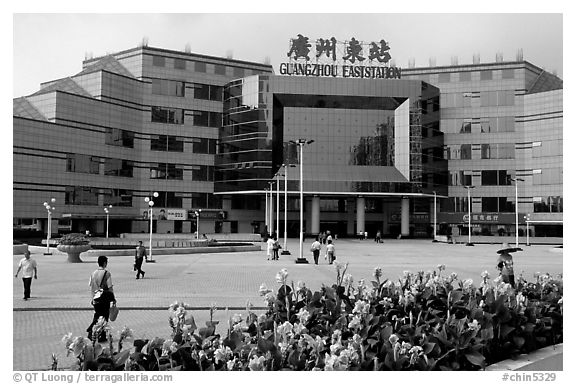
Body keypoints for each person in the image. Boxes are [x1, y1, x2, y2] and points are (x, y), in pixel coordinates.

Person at [87, 256, 116, 341]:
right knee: (104, 317)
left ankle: (96, 333)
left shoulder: (93, 273)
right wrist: (113, 298)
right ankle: (98, 334)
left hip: (95, 298)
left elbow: (90, 284)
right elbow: (110, 287)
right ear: (104, 263)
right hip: (104, 299)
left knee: (98, 315)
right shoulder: (107, 274)